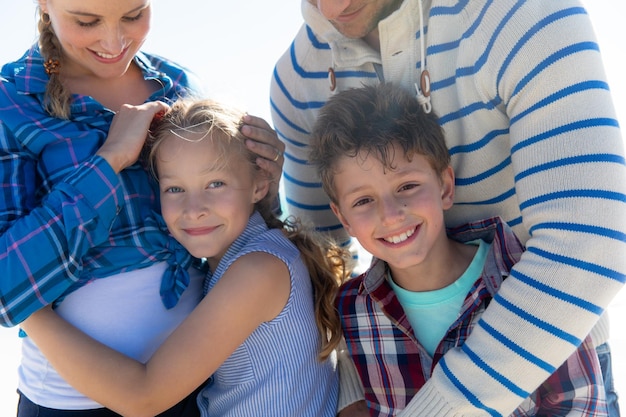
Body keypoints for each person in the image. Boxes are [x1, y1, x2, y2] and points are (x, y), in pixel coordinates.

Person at [270, 0, 625, 415]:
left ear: (445, 184)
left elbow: (589, 243)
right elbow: (323, 261)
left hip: (550, 344)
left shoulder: (518, 12)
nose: (332, 7)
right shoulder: (296, 80)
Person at [0, 0, 285, 415]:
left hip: (193, 387)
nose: (114, 41)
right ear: (44, 5)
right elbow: (6, 284)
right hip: (68, 404)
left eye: (133, 15)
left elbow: (220, 228)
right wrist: (109, 161)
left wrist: (263, 180)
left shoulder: (176, 84)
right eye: (87, 20)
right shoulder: (10, 101)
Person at [20, 97, 349, 417]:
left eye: (216, 183)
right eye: (175, 189)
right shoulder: (251, 257)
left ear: (260, 184)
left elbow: (143, 398)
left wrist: (28, 309)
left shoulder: (259, 270)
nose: (194, 210)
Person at [309, 82, 608, 416]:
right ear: (343, 219)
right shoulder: (350, 309)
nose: (391, 214)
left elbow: (579, 402)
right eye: (363, 200)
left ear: (445, 187)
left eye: (407, 186)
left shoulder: (528, 281)